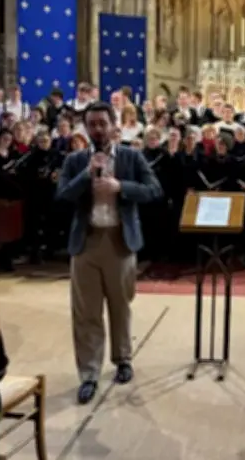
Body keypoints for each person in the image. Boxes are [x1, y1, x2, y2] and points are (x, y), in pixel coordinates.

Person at [56, 101, 164, 405]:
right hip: (86, 241)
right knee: (86, 312)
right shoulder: (76, 160)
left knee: (120, 305)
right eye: (92, 124)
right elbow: (62, 196)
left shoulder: (131, 156)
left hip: (120, 240)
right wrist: (84, 176)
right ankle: (89, 374)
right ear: (85, 127)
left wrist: (121, 187)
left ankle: (123, 359)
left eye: (103, 123)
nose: (97, 130)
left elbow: (154, 189)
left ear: (113, 124)